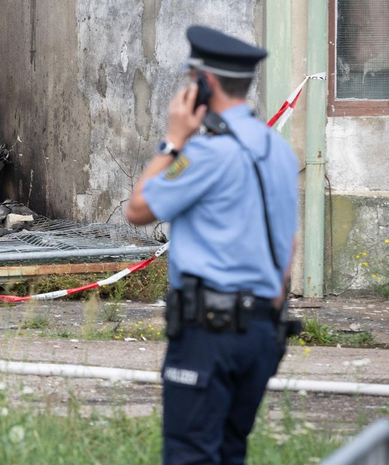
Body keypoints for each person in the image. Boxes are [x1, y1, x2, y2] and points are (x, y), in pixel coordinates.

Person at [125, 25, 299, 465]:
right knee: (229, 452)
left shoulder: (203, 155)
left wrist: (173, 140)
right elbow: (289, 243)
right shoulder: (278, 151)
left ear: (205, 83)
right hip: (263, 332)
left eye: (189, 79)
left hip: (209, 335)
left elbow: (139, 208)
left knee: (192, 456)